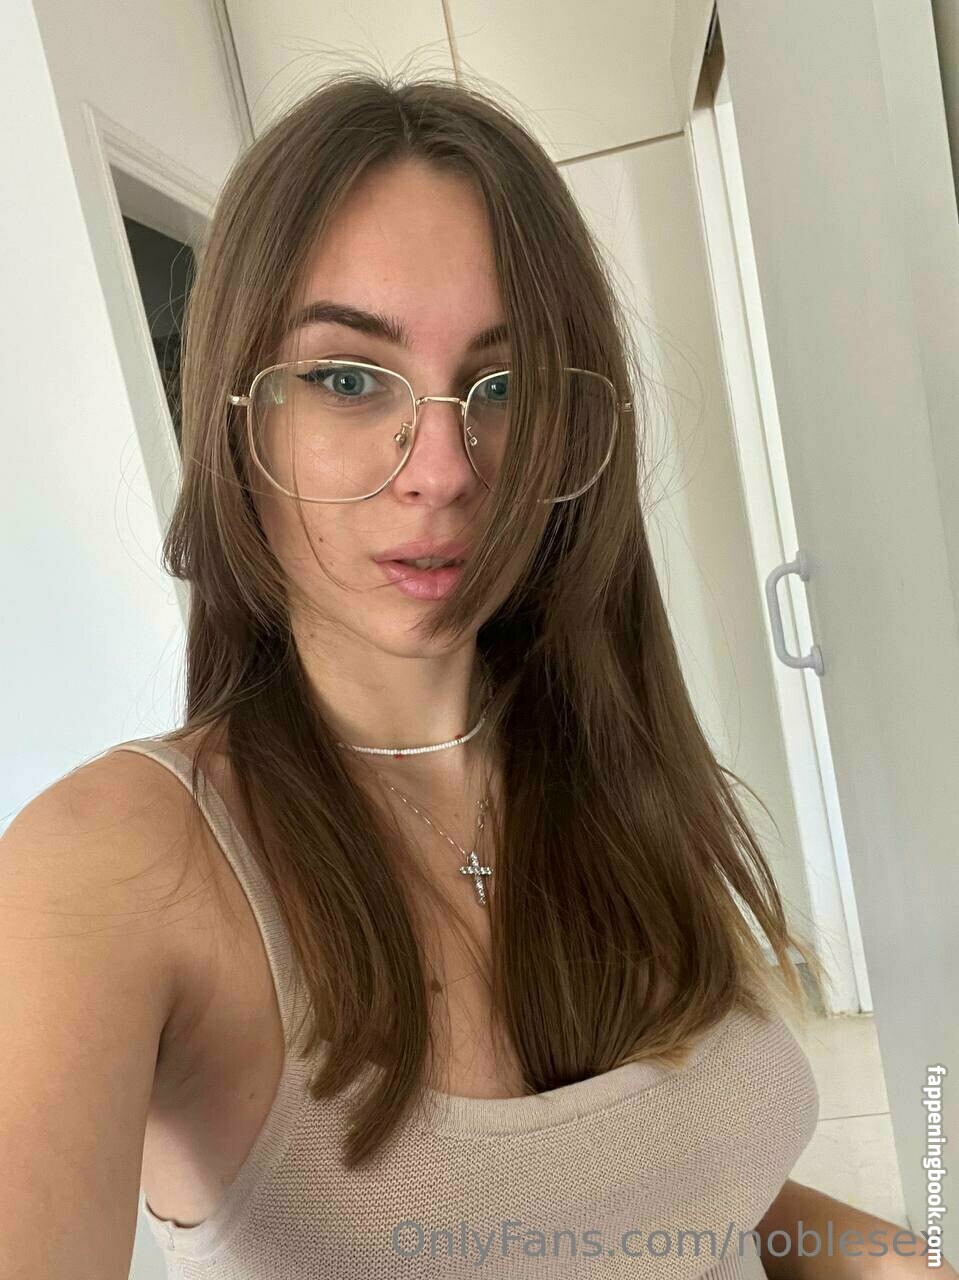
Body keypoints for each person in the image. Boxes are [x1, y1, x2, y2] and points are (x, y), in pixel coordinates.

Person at [2, 70, 950, 1280]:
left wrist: (899, 1260)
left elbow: (697, 1200)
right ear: (238, 417)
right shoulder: (110, 867)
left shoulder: (608, 764)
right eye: (349, 376)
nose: (444, 468)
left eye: (504, 386)